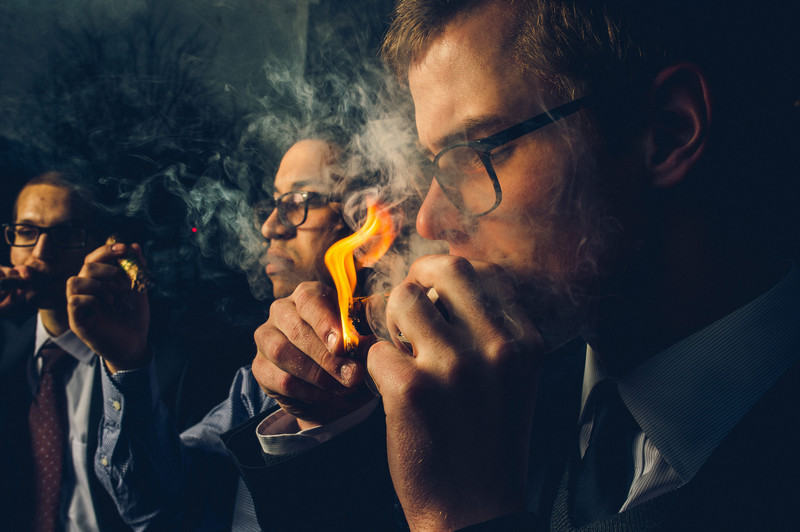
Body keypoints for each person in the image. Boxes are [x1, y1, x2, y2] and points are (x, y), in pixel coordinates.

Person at [227, 0, 800, 530]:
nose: (429, 221)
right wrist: (332, 416)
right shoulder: (493, 393)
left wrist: (468, 521)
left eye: (477, 153)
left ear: (666, 132)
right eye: (432, 165)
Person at [69, 138, 378, 530]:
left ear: (368, 219)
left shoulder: (421, 373)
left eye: (298, 202)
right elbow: (160, 503)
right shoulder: (260, 383)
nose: (269, 227)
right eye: (274, 203)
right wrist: (127, 361)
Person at [0, 170, 134, 531]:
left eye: (65, 235)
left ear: (101, 248)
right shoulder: (7, 353)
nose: (40, 253)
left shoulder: (148, 365)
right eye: (26, 232)